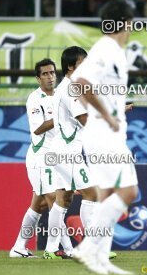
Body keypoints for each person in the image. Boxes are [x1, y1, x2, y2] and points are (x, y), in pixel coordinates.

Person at [71, 0, 138, 275]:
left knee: (107, 195)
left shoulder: (116, 52)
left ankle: (100, 259)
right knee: (129, 191)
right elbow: (80, 82)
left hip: (106, 133)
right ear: (124, 22)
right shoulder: (106, 48)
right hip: (103, 133)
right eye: (131, 23)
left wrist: (109, 112)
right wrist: (107, 116)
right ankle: (87, 247)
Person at [43, 47, 103, 259]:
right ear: (71, 66)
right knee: (91, 193)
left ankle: (50, 249)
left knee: (64, 199)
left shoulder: (66, 87)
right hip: (67, 152)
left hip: (60, 150)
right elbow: (84, 119)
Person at [9, 59, 73, 258]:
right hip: (40, 156)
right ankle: (69, 250)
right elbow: (38, 128)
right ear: (38, 78)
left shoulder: (62, 95)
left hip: (57, 156)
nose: (50, 76)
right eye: (44, 74)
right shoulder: (34, 99)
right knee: (55, 201)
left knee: (39, 205)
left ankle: (19, 247)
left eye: (52, 72)